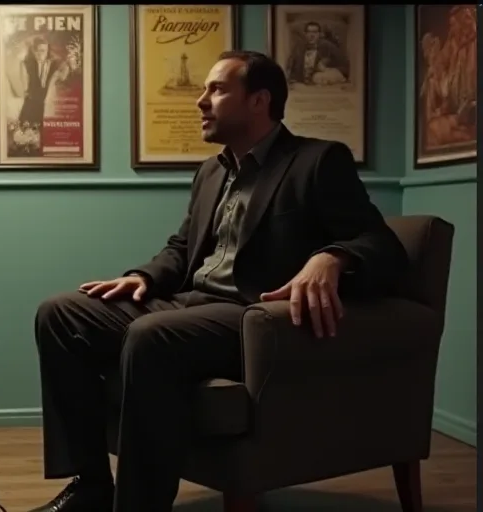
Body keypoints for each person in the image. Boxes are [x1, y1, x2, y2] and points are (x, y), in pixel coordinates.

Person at [28, 50, 408, 512]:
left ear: (258, 100)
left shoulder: (317, 161)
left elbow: (381, 242)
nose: (200, 102)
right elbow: (183, 249)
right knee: (60, 313)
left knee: (150, 336)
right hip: (188, 301)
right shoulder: (212, 171)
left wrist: (331, 257)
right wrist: (142, 277)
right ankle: (90, 485)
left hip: (252, 315)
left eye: (217, 89)